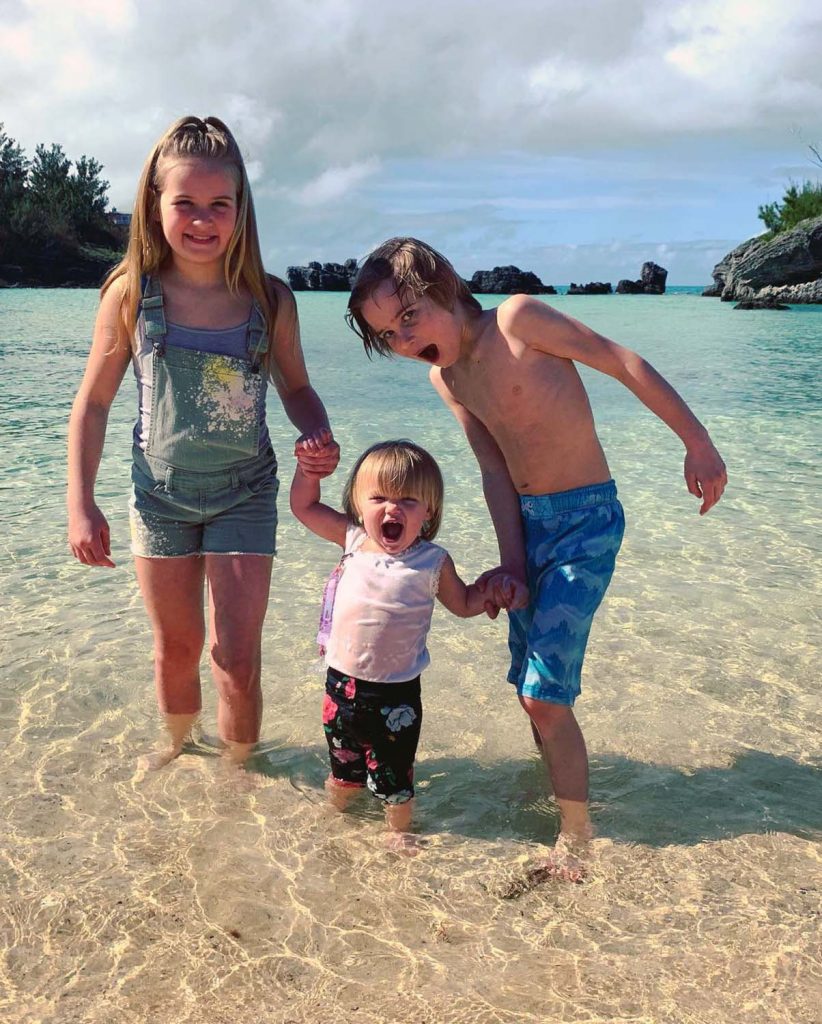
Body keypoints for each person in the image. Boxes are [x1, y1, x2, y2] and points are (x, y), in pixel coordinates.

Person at [344, 237, 727, 877]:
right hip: (528, 527)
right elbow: (495, 470)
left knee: (545, 693)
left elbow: (622, 361)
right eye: (389, 336)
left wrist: (697, 442)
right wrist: (512, 565)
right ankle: (557, 787)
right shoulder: (448, 378)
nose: (406, 341)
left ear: (444, 284)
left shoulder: (518, 319)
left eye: (409, 316)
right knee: (530, 688)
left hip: (586, 522)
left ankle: (576, 840)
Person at [67, 116, 339, 768]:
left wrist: (316, 435)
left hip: (245, 490)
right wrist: (81, 502)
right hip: (158, 495)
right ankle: (178, 747)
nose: (201, 219)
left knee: (236, 656)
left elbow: (297, 389)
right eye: (184, 202)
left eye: (219, 204)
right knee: (176, 649)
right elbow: (94, 403)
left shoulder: (268, 300)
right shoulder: (132, 294)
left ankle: (240, 776)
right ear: (154, 204)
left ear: (241, 210)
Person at [290, 439, 525, 843]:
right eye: (378, 497)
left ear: (429, 512)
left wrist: (492, 592)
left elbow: (464, 602)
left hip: (396, 696)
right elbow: (304, 507)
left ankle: (398, 833)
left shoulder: (433, 561)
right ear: (358, 504)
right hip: (340, 687)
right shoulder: (351, 540)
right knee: (343, 770)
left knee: (395, 778)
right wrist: (309, 473)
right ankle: (335, 819)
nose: (391, 508)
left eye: (409, 500)